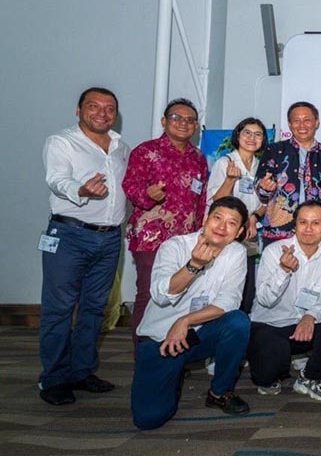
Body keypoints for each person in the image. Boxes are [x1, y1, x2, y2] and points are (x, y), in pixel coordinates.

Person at [38, 87, 130, 405]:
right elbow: (56, 179)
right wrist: (80, 190)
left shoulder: (120, 147)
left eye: (109, 108)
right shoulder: (61, 142)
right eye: (94, 106)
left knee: (94, 308)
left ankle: (81, 371)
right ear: (78, 110)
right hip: (69, 235)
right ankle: (53, 378)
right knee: (59, 309)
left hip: (110, 238)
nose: (102, 113)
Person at [130, 197, 251, 430]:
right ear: (205, 219)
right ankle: (173, 373)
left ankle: (219, 392)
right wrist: (193, 265)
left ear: (239, 232)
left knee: (238, 322)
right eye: (217, 218)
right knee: (148, 419)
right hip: (161, 339)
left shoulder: (236, 253)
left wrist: (185, 320)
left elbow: (229, 301)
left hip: (199, 334)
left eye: (231, 223)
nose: (222, 227)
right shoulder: (175, 247)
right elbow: (160, 295)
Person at [123, 98, 208, 342]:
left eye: (190, 120)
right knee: (149, 294)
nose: (184, 123)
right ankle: (144, 353)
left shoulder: (198, 157)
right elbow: (130, 186)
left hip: (185, 240)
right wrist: (148, 195)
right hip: (151, 238)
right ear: (164, 121)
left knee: (181, 294)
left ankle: (173, 350)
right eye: (176, 118)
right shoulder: (145, 152)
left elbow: (201, 199)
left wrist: (200, 234)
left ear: (196, 126)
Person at [248, 201, 321, 400]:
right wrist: (283, 271)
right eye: (303, 222)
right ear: (295, 224)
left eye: (315, 223)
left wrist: (311, 316)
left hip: (305, 325)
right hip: (271, 325)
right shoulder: (274, 251)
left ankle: (312, 377)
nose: (308, 229)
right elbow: (265, 300)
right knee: (267, 378)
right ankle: (271, 371)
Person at [255, 101, 321, 246]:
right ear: (289, 124)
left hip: (318, 232)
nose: (302, 125)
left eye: (307, 120)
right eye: (296, 121)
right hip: (279, 232)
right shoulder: (274, 150)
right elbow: (261, 187)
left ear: (317, 122)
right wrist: (265, 188)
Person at [206, 117, 267, 313]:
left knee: (246, 282)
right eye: (247, 133)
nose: (252, 138)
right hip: (224, 232)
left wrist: (253, 218)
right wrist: (230, 180)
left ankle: (243, 323)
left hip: (249, 233)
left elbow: (266, 203)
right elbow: (217, 202)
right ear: (238, 136)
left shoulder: (261, 166)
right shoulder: (225, 163)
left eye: (258, 134)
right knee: (222, 281)